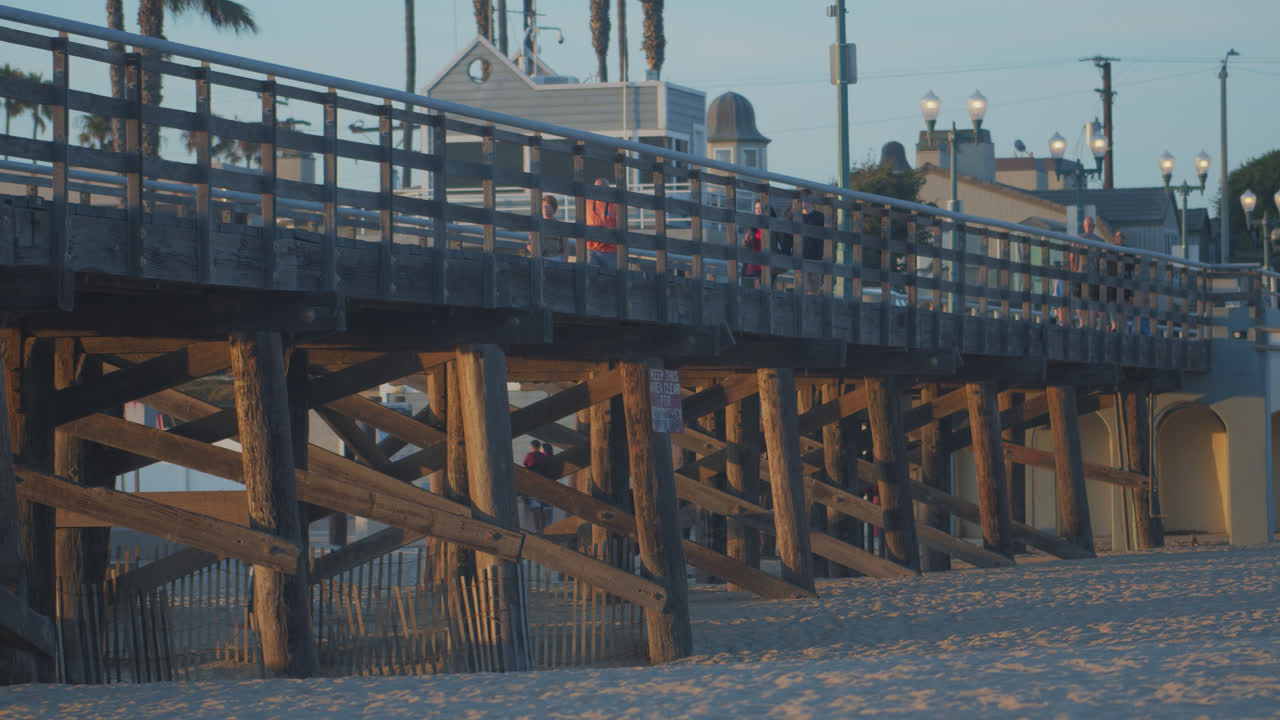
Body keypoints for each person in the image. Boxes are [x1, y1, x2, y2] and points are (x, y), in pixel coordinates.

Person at [585, 177, 618, 269]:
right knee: (589, 276)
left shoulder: (616, 205)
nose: (599, 190)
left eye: (603, 187)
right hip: (591, 248)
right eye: (597, 187)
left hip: (611, 250)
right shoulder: (586, 203)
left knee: (611, 278)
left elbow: (622, 228)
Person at [742, 200, 776, 285]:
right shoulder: (753, 226)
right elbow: (746, 245)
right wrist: (747, 240)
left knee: (765, 293)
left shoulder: (773, 225)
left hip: (766, 266)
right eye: (756, 208)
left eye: (760, 208)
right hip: (752, 266)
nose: (757, 210)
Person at [527, 195, 567, 260]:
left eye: (548, 206)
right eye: (543, 206)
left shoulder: (560, 225)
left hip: (556, 258)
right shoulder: (537, 224)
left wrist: (564, 263)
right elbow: (529, 245)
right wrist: (536, 252)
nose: (545, 208)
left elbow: (565, 247)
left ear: (554, 208)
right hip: (541, 258)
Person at [800, 192, 826, 292]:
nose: (803, 202)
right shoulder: (795, 216)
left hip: (816, 257)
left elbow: (826, 236)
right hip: (801, 257)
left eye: (805, 200)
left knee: (815, 290)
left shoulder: (820, 217)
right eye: (802, 200)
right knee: (802, 289)